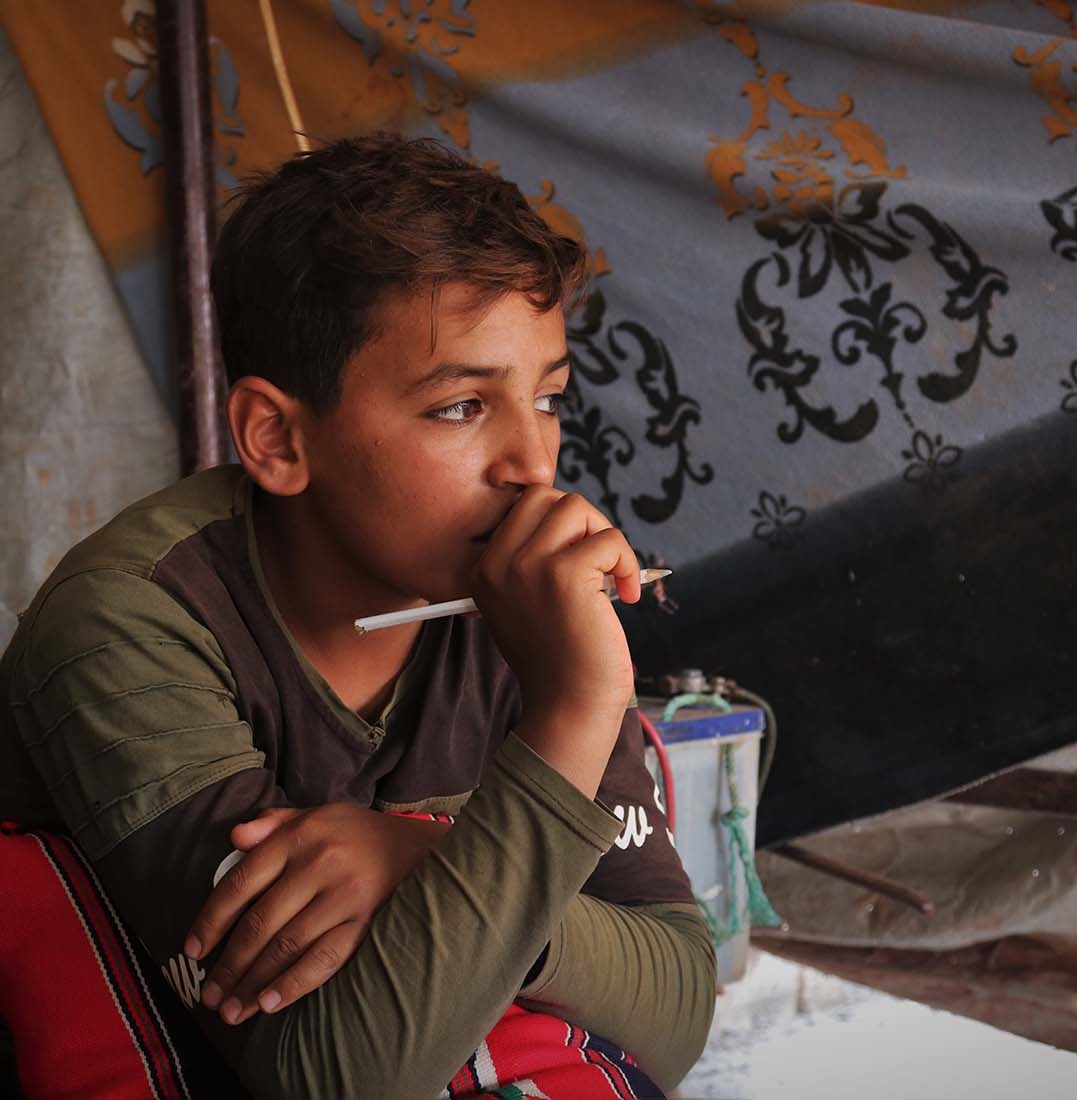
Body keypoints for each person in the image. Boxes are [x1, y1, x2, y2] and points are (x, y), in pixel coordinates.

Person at [0, 134, 715, 1099]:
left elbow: (679, 1008)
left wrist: (425, 854)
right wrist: (577, 707)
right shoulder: (129, 621)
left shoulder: (514, 593)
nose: (535, 465)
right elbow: (330, 1075)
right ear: (277, 437)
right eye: (462, 407)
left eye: (546, 398)